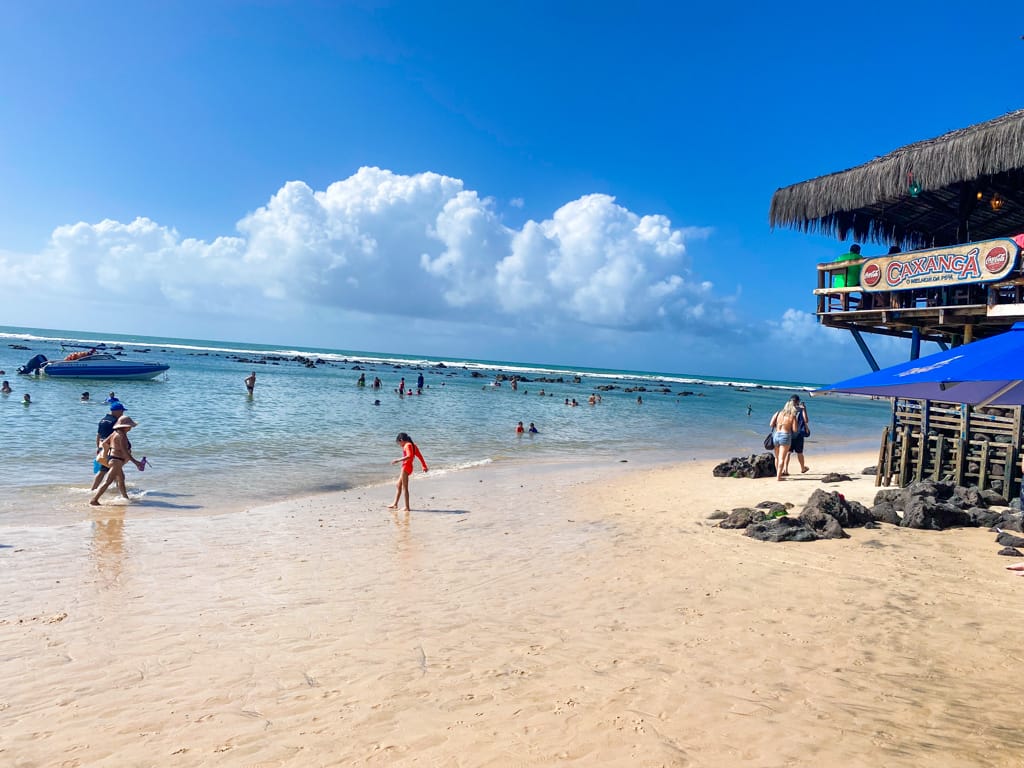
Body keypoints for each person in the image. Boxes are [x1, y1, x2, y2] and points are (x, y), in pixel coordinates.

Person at [91, 415, 143, 505]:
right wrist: (136, 462)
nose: (131, 428)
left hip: (112, 458)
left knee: (121, 478)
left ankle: (125, 497)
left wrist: (105, 454)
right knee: (108, 481)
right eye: (130, 426)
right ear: (125, 427)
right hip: (116, 460)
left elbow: (104, 443)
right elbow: (125, 451)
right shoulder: (122, 436)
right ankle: (94, 499)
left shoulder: (115, 433)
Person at [388, 432, 428, 512]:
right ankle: (395, 504)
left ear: (401, 440)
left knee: (405, 488)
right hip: (408, 467)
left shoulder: (407, 445)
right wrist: (424, 465)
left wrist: (398, 460)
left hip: (406, 467)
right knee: (398, 485)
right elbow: (420, 456)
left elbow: (409, 456)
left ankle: (407, 507)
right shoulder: (413, 445)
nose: (400, 445)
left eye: (399, 443)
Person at [92, 402, 127, 491]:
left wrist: (98, 448)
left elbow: (98, 435)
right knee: (104, 470)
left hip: (102, 446)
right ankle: (94, 490)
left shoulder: (102, 420)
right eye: (122, 411)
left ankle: (116, 487)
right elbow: (117, 436)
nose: (122, 413)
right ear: (117, 411)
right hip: (110, 448)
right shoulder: (115, 422)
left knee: (112, 469)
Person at [769, 401, 799, 481]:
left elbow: (771, 424)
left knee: (777, 457)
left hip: (776, 434)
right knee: (782, 458)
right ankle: (779, 477)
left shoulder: (778, 413)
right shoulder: (792, 416)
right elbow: (795, 429)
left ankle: (778, 474)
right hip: (785, 436)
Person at [784, 394, 811, 475]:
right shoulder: (801, 410)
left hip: (789, 433)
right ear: (798, 401)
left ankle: (785, 469)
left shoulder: (787, 409)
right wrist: (804, 409)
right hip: (798, 434)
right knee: (799, 452)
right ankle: (802, 468)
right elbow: (806, 420)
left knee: (788, 452)